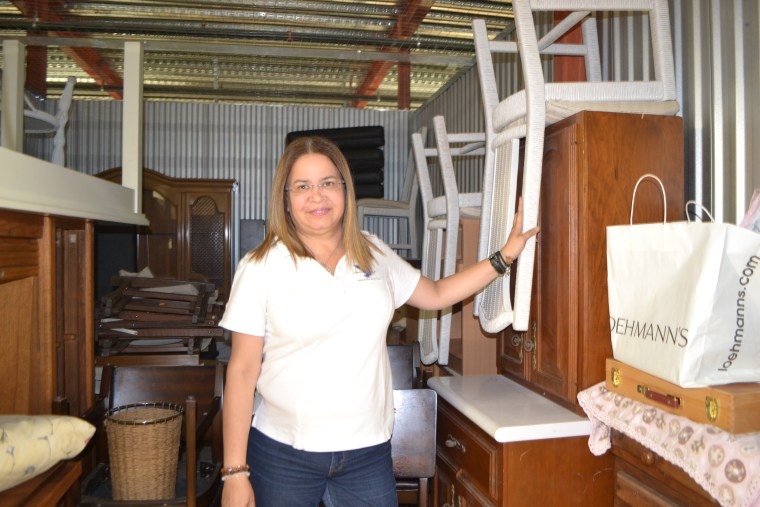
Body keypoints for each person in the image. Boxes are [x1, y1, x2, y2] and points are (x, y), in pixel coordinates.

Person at [219, 135, 538, 507]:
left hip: (366, 454)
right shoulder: (260, 267)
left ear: (345, 191)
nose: (316, 196)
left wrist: (505, 256)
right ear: (286, 199)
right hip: (283, 455)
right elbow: (241, 372)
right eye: (302, 186)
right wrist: (234, 473)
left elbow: (435, 294)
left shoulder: (373, 253)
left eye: (327, 183)